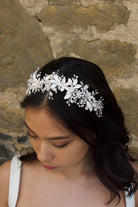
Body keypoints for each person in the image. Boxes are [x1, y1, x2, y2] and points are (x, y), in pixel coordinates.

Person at [0, 57, 138, 207]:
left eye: (60, 144)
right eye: (33, 135)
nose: (42, 155)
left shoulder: (132, 186)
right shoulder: (9, 180)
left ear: (94, 131)